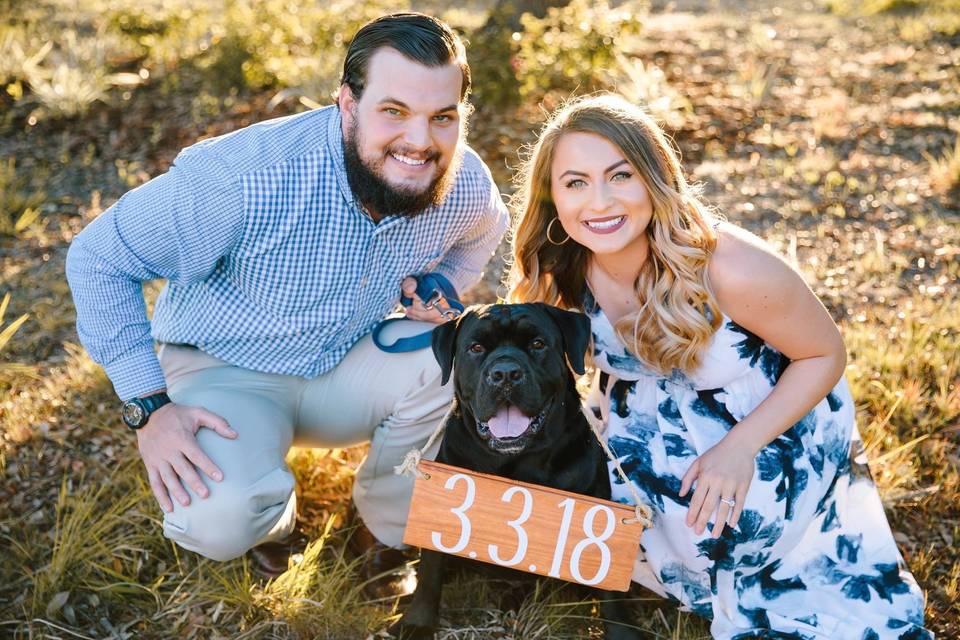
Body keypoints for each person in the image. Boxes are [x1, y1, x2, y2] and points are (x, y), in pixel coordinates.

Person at [65, 13, 508, 579]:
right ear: (347, 102)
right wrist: (148, 408)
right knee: (218, 519)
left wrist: (442, 282)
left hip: (350, 359)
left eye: (441, 118)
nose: (420, 142)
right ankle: (272, 518)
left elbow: (484, 233)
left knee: (451, 357)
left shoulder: (462, 179)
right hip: (226, 371)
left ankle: (385, 526)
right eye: (394, 111)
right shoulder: (242, 178)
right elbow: (100, 257)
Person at [507, 93, 930, 639]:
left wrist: (738, 448)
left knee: (735, 524)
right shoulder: (563, 264)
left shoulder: (729, 268)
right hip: (641, 423)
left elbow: (825, 354)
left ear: (655, 180)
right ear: (553, 197)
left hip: (767, 422)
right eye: (576, 183)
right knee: (578, 507)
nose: (600, 201)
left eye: (620, 175)